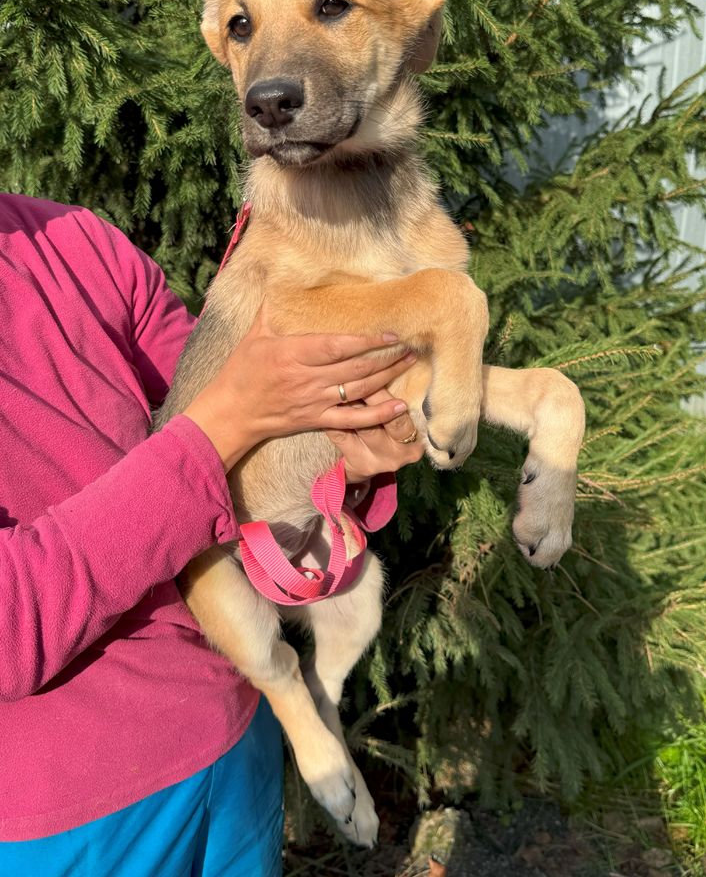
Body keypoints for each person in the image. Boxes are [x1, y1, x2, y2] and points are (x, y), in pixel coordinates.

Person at [0, 192, 423, 876]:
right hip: (69, 823)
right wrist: (225, 427)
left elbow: (244, 404)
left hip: (235, 733)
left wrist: (344, 454)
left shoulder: (75, 238)